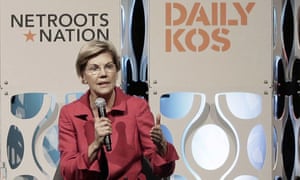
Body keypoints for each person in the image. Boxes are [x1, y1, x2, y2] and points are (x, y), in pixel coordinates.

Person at [58, 40, 179, 179]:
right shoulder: (70, 113)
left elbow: (162, 171)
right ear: (83, 77)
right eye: (94, 68)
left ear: (116, 71)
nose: (103, 74)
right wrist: (95, 145)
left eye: (109, 66)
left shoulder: (136, 107)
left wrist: (162, 148)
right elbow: (68, 172)